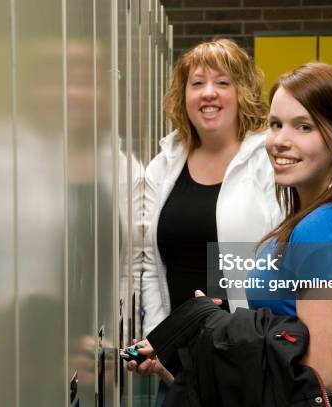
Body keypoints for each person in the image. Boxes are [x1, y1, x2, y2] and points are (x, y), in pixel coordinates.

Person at [129, 38, 282, 387]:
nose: (208, 93)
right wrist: (161, 343)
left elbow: (285, 257)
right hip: (180, 366)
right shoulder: (163, 166)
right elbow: (151, 267)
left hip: (248, 358)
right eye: (197, 83)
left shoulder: (268, 162)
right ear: (184, 96)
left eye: (222, 82)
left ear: (241, 92)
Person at [246, 62, 332, 406]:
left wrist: (216, 345)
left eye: (303, 126)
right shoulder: (323, 220)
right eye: (275, 124)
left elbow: (320, 377)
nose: (280, 141)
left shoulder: (326, 228)